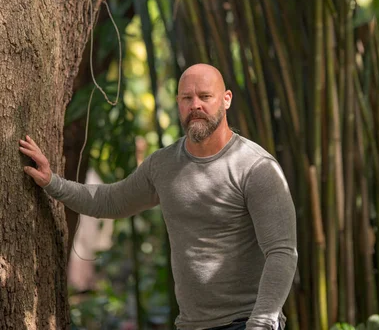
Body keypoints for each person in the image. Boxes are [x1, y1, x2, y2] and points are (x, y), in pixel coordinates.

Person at [19, 64, 297, 330]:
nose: (195, 105)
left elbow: (281, 252)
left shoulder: (256, 167)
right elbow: (110, 200)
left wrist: (260, 323)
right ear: (178, 102)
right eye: (187, 98)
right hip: (190, 324)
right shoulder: (164, 164)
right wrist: (52, 181)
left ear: (226, 100)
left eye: (205, 97)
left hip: (245, 321)